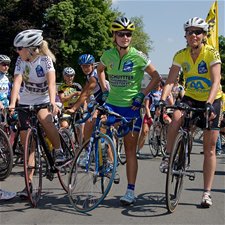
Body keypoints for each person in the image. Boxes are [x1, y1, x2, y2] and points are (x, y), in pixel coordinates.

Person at [159, 17, 222, 208]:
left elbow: (216, 80)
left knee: (209, 147)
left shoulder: (211, 53)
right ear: (185, 35)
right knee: (176, 117)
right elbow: (171, 80)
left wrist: (210, 104)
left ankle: (206, 193)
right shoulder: (180, 54)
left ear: (204, 35)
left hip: (212, 99)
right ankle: (169, 157)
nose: (194, 35)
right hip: (191, 97)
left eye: (198, 32)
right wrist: (162, 99)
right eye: (190, 32)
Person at [97, 16, 161, 205]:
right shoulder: (108, 55)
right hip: (111, 104)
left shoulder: (138, 56)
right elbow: (99, 70)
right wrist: (104, 89)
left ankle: (130, 191)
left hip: (131, 108)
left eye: (128, 34)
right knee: (95, 123)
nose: (125, 37)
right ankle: (107, 162)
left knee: (130, 149)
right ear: (114, 36)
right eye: (121, 34)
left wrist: (143, 94)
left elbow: (156, 77)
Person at [9, 29, 64, 198]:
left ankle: (58, 150)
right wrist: (12, 104)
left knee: (44, 119)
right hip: (26, 100)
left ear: (31, 48)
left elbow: (51, 82)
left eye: (20, 48)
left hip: (44, 99)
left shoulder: (45, 60)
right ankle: (29, 184)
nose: (17, 51)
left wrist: (53, 102)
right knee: (27, 144)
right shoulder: (20, 60)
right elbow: (17, 81)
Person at [137, 80, 173, 158]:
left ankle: (164, 142)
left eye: (157, 82)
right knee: (144, 131)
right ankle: (138, 150)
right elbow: (146, 106)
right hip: (151, 113)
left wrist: (169, 94)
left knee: (170, 123)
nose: (156, 84)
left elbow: (171, 103)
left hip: (161, 114)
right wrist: (149, 117)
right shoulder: (150, 93)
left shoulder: (164, 92)